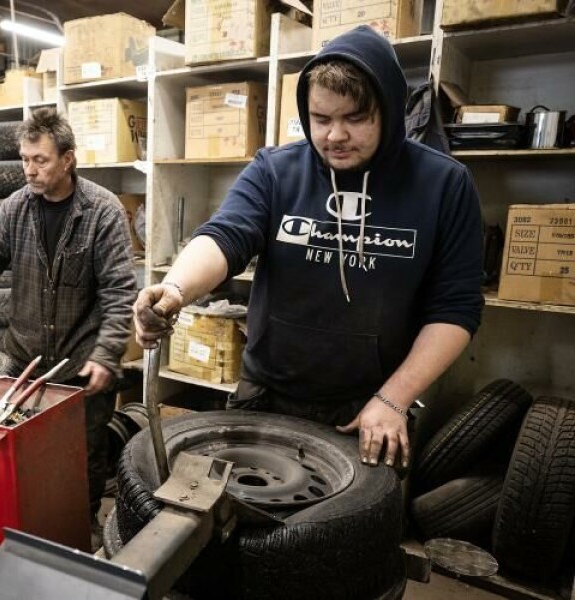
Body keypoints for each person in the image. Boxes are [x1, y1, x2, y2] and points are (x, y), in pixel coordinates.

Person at [134, 26, 483, 471]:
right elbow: (225, 235)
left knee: (348, 536)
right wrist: (176, 288)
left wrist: (395, 399)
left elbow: (456, 310)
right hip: (266, 395)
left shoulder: (445, 185)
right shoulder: (275, 172)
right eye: (321, 119)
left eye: (355, 118)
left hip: (369, 409)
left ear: (390, 111)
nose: (335, 135)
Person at [0, 107, 138, 543]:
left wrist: (106, 354)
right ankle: (26, 524)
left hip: (82, 366)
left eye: (40, 160)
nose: (29, 169)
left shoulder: (102, 211)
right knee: (21, 451)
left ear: (67, 159)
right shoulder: (16, 209)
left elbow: (121, 290)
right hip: (25, 360)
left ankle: (78, 530)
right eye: (25, 159)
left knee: (82, 457)